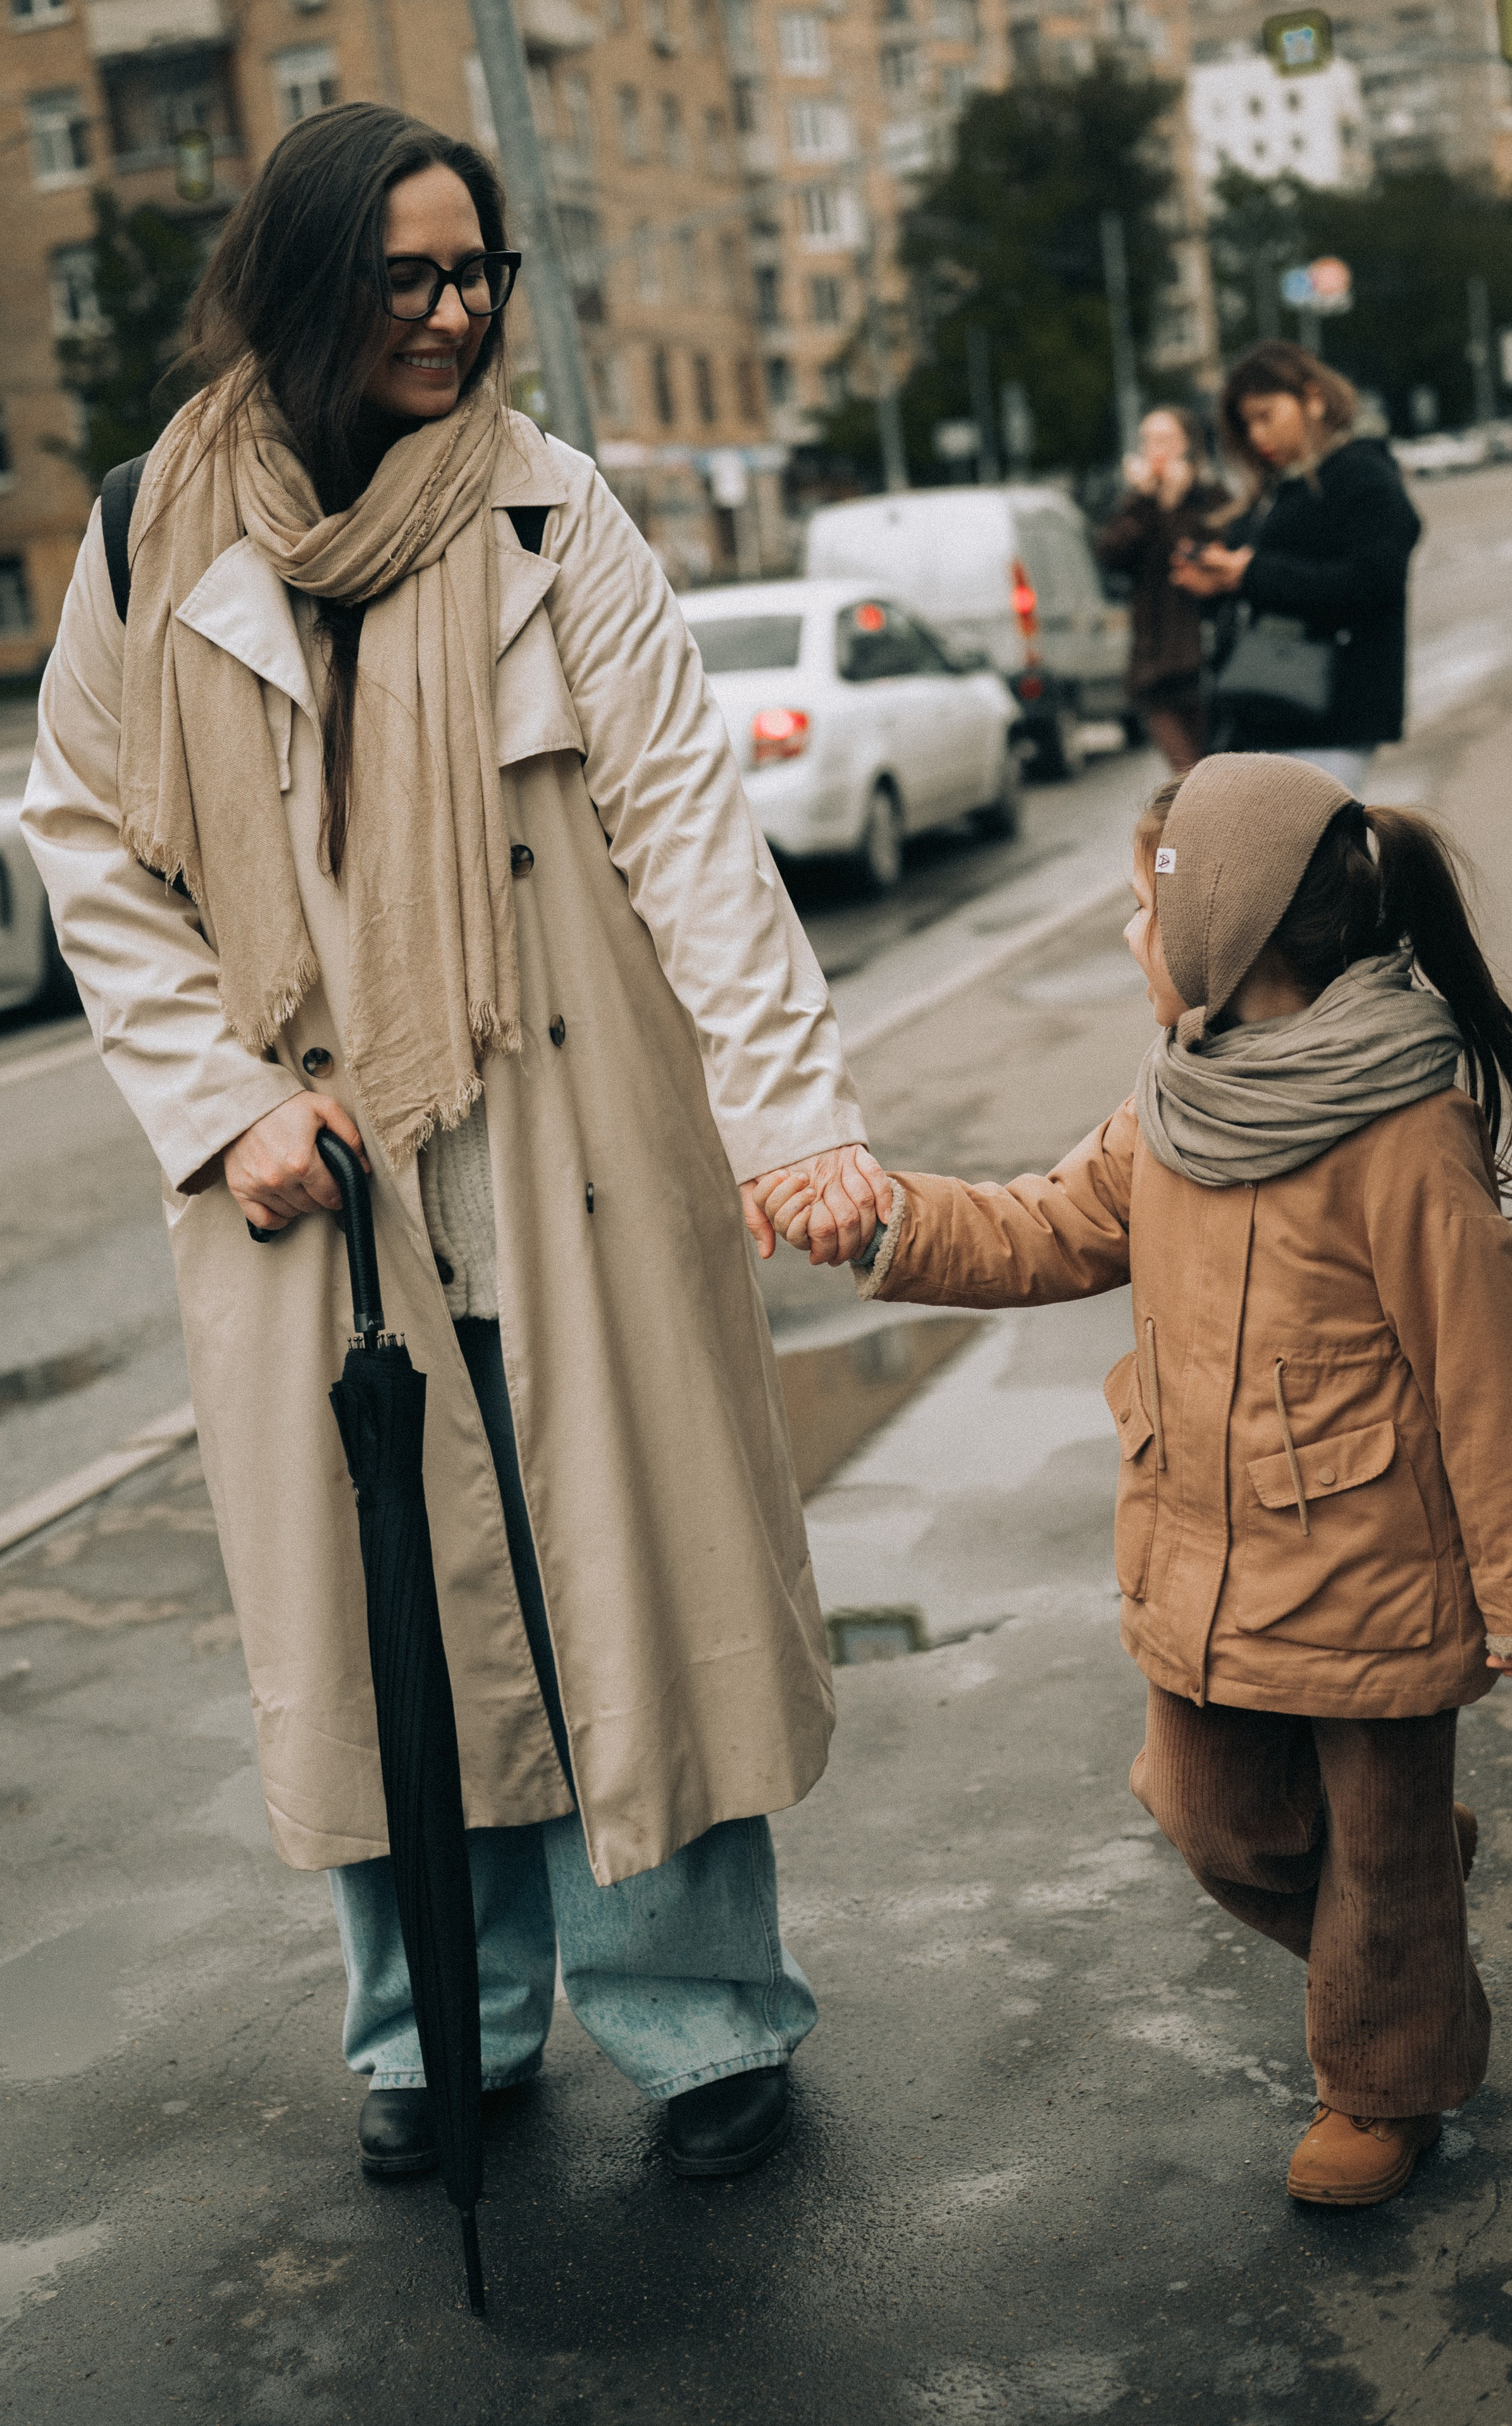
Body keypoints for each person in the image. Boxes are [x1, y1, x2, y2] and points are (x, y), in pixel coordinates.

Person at [22, 104, 892, 2186]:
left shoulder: (547, 511)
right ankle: (437, 2029)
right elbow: (86, 836)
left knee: (631, 1581)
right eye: (404, 276)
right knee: (385, 1622)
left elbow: (688, 823)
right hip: (317, 1189)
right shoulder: (155, 529)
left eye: (476, 271)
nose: (450, 313)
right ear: (312, 284)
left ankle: (696, 2017)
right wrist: (228, 1106)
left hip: (570, 1154)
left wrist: (791, 1127)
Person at [760, 752, 1512, 2208]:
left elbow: (1488, 1371)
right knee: (1210, 1815)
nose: (1126, 941)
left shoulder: (1400, 1129)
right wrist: (889, 1218)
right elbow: (1039, 1225)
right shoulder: (1174, 1102)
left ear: (1225, 931)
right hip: (1201, 1552)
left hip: (1374, 1568)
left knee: (1378, 1859)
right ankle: (1398, 1916)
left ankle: (1385, 2080)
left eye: (1138, 913)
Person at [1172, 342, 1420, 799]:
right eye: (1247, 423)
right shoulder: (1280, 488)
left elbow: (1373, 582)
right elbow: (1269, 585)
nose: (1256, 435)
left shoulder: (1361, 476)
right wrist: (1218, 586)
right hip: (1272, 706)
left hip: (1331, 712)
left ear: (1313, 399)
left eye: (1266, 415)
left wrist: (1250, 575)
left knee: (1311, 861)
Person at [1093, 406, 1227, 775]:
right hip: (1154, 661)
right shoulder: (1140, 503)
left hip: (1203, 657)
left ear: (1188, 445)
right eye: (1148, 440)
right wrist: (1148, 500)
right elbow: (1110, 553)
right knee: (1185, 775)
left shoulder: (1210, 498)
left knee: (1211, 771)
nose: (1156, 449)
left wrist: (1173, 504)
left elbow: (1195, 556)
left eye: (1165, 439)